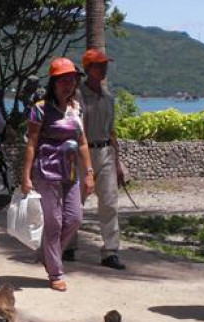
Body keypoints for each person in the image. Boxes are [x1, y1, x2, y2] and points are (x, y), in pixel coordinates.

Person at [21, 57, 95, 292]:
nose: (68, 85)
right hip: (46, 172)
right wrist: (26, 176)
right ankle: (55, 272)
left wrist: (89, 173)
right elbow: (31, 143)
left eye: (72, 80)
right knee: (54, 224)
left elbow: (82, 142)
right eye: (63, 80)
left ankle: (47, 254)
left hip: (70, 173)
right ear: (53, 83)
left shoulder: (76, 108)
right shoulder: (39, 109)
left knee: (74, 219)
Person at [66, 48, 126, 270]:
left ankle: (110, 250)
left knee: (109, 203)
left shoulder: (109, 98)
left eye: (105, 65)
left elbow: (112, 133)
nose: (104, 69)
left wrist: (118, 163)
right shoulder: (77, 97)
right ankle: (68, 245)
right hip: (82, 154)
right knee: (74, 202)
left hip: (105, 152)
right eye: (99, 65)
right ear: (88, 68)